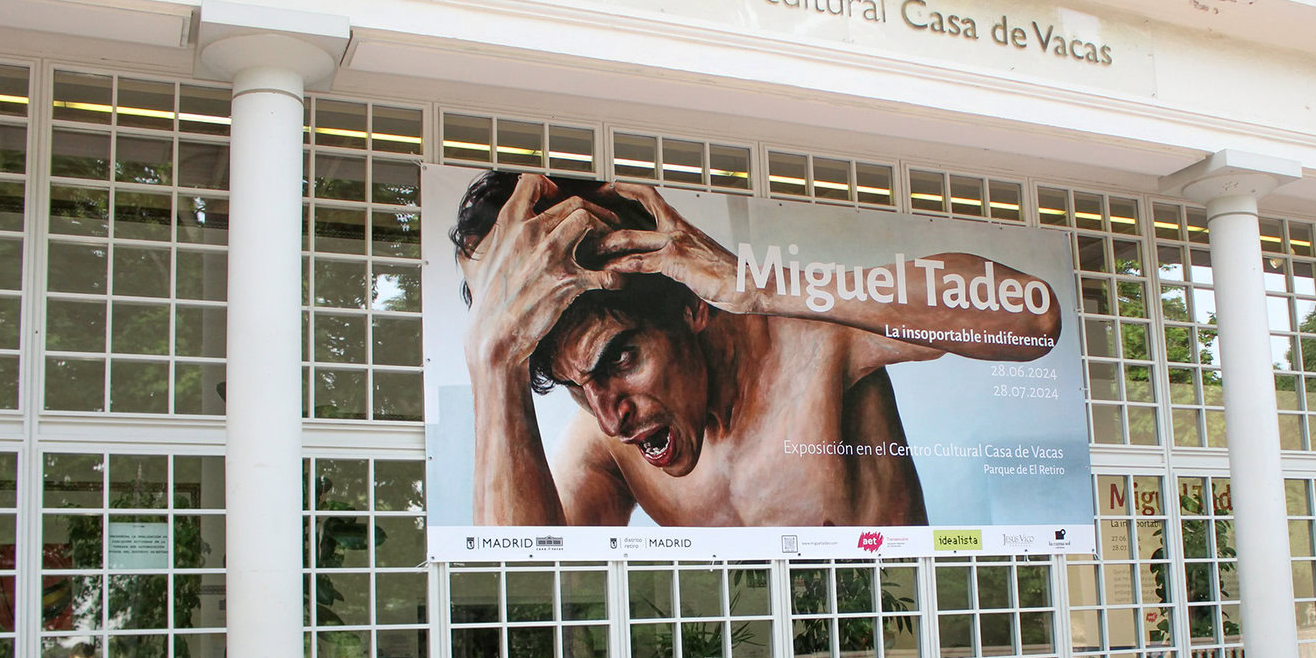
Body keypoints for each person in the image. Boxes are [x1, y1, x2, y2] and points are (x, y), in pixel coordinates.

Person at [449, 171, 1062, 528]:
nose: (611, 417)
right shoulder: (604, 449)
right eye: (579, 389)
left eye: (622, 361)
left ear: (692, 304)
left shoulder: (815, 341)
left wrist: (757, 286)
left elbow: (1034, 317)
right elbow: (523, 597)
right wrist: (493, 358)